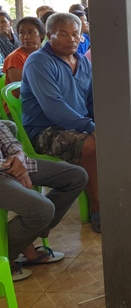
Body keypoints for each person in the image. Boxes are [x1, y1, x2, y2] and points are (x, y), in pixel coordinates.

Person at [21, 13, 101, 233]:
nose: (72, 39)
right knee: (92, 145)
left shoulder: (82, 61)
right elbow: (53, 107)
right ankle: (98, 206)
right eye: (64, 34)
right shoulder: (39, 62)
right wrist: (90, 128)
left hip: (77, 125)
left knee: (118, 136)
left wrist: (101, 125)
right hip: (44, 130)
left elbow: (91, 100)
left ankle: (117, 197)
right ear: (49, 36)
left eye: (76, 34)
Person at [0, 120, 87, 282]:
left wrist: (19, 156)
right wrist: (14, 169)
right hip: (4, 168)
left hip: (8, 163)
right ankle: (5, 254)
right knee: (42, 209)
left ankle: (25, 239)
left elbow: (2, 130)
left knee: (76, 177)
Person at [3, 17, 46, 87]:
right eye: (21, 33)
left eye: (30, 32)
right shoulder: (15, 58)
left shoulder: (46, 54)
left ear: (41, 34)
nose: (26, 37)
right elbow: (22, 88)